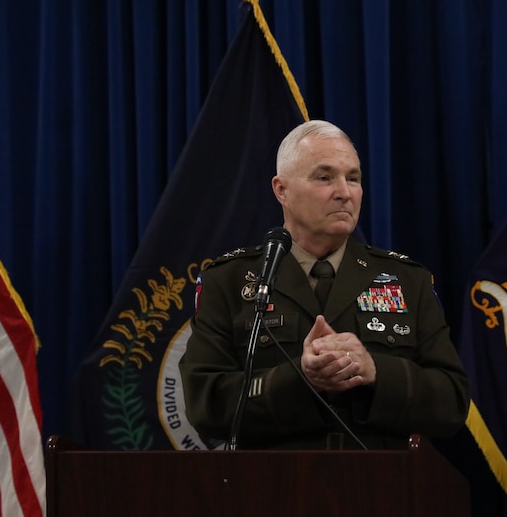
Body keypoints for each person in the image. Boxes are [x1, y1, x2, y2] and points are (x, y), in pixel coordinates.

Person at [179, 120, 469, 450]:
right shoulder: (229, 281)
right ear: (281, 190)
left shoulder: (407, 280)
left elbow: (452, 402)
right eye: (324, 177)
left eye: (353, 178)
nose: (344, 192)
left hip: (380, 478)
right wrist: (299, 379)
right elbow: (204, 404)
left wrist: (374, 369)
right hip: (272, 479)